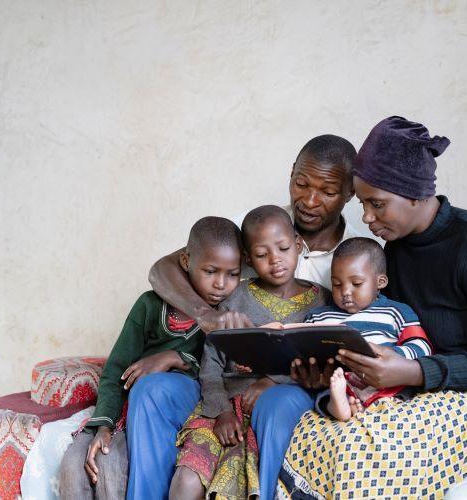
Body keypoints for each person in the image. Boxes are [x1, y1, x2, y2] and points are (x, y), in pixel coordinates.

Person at [276, 116, 467, 499]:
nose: (367, 218)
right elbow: (392, 330)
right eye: (363, 204)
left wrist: (412, 371)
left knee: (364, 456)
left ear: (414, 194)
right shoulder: (395, 252)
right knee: (315, 434)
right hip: (431, 390)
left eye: (377, 205)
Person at [137, 135, 364, 499]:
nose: (308, 200)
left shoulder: (356, 257)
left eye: (327, 191)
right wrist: (207, 319)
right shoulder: (256, 227)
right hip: (225, 387)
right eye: (301, 183)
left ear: (351, 193)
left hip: (288, 392)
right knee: (151, 391)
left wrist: (306, 380)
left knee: (275, 405)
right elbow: (166, 269)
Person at [58, 216, 243, 500]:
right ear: (185, 261)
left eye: (232, 274)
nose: (221, 284)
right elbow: (116, 370)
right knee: (75, 463)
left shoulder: (229, 314)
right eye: (210, 271)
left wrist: (174, 357)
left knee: (117, 454)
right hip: (131, 411)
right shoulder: (150, 304)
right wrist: (104, 425)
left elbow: (218, 372)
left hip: (190, 402)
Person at [169, 205, 330, 500]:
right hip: (225, 409)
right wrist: (222, 411)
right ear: (247, 259)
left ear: (297, 244)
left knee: (248, 481)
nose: (275, 260)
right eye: (261, 254)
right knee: (187, 479)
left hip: (271, 415)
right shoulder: (235, 296)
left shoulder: (322, 302)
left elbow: (320, 364)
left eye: (283, 248)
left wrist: (272, 381)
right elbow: (212, 360)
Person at [302, 236, 432, 421]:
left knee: (405, 391)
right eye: (337, 284)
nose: (345, 291)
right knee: (330, 388)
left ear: (380, 282)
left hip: (388, 380)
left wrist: (391, 355)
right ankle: (339, 405)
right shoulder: (320, 317)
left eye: (356, 284)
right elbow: (305, 347)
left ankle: (363, 403)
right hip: (344, 379)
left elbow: (422, 345)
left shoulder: (396, 311)